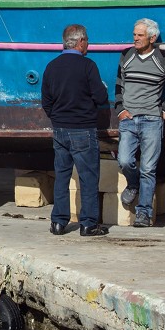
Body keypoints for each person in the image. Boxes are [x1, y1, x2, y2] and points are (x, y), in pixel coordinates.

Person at [115, 18, 165, 227]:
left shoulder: (162, 58)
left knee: (148, 168)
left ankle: (144, 213)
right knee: (124, 160)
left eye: (140, 35)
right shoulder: (126, 55)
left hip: (151, 121)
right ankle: (133, 184)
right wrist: (120, 109)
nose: (135, 38)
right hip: (128, 120)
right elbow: (119, 84)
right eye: (134, 34)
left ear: (152, 37)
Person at [41, 23, 110, 237]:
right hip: (82, 129)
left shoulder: (51, 66)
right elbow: (101, 98)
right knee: (88, 178)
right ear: (80, 42)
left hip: (60, 129)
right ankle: (88, 223)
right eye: (87, 40)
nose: (88, 44)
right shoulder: (88, 66)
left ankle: (58, 223)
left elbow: (46, 101)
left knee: (62, 176)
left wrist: (58, 117)